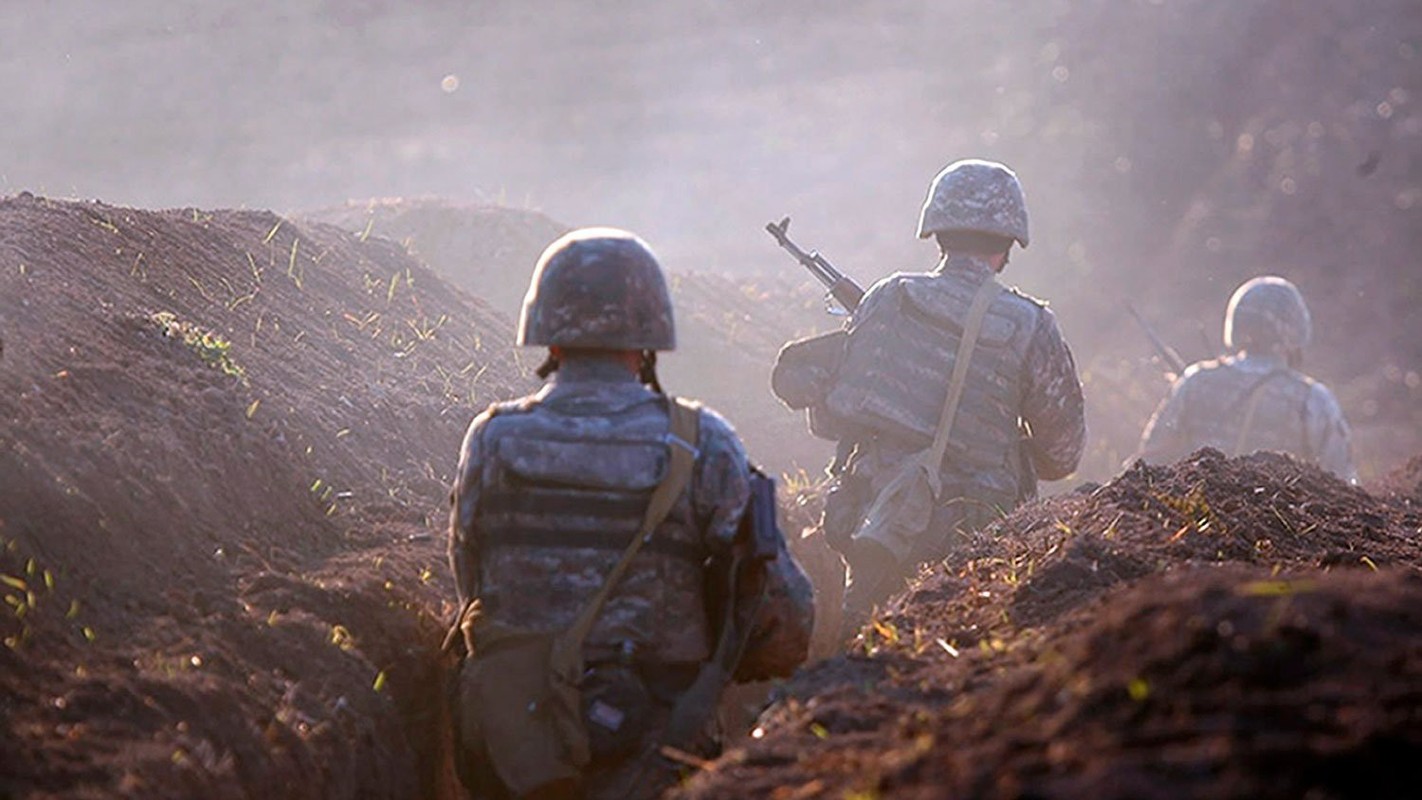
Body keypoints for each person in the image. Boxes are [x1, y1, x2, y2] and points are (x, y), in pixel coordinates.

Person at [448, 227, 813, 800]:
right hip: (657, 742)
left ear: (548, 334)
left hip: (518, 742)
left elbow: (472, 577)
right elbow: (783, 609)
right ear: (648, 338)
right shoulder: (703, 442)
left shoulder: (493, 438)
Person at [772, 158, 1086, 639]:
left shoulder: (886, 297)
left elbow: (837, 418)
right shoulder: (1031, 324)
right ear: (1009, 244)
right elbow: (1061, 454)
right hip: (979, 540)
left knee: (859, 647)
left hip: (881, 523)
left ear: (936, 231)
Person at [1136, 275, 1357, 482]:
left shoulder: (1195, 381)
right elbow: (1345, 487)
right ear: (1293, 328)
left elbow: (1146, 464)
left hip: (1195, 517)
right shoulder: (1313, 400)